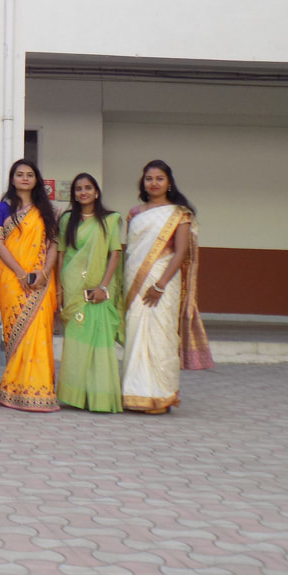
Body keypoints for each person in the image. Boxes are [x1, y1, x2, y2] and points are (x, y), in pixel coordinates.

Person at [121, 160, 212, 414]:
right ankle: (134, 393)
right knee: (135, 335)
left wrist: (160, 285)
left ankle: (161, 395)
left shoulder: (179, 213)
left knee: (160, 337)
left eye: (159, 178)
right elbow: (132, 251)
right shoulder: (135, 213)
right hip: (134, 283)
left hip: (163, 282)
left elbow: (180, 252)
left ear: (169, 182)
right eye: (149, 179)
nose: (154, 183)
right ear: (143, 182)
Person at [0, 159, 60, 412]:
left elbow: (53, 244)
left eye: (30, 174)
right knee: (16, 332)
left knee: (39, 331)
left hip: (42, 280)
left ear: (36, 179)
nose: (25, 178)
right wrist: (21, 273)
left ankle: (39, 391)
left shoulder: (47, 210)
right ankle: (13, 390)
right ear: (12, 179)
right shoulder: (1, 208)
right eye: (20, 174)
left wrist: (44, 272)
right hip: (11, 278)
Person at [56, 174, 123, 413]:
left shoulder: (110, 220)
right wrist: (59, 288)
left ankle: (99, 398)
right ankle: (76, 396)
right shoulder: (67, 220)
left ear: (96, 192)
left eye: (88, 188)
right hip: (72, 287)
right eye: (78, 189)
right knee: (76, 344)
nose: (83, 192)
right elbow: (61, 254)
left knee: (99, 343)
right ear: (74, 194)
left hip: (98, 288)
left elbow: (115, 254)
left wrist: (103, 287)